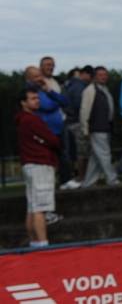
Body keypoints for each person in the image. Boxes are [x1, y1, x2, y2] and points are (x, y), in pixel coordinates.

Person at [16, 88, 61, 247]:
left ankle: (34, 242)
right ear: (24, 102)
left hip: (29, 164)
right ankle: (43, 244)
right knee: (40, 208)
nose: (37, 100)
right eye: (33, 98)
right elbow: (52, 140)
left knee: (32, 206)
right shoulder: (32, 120)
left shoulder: (22, 120)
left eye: (37, 98)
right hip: (40, 164)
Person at [24, 66, 70, 187]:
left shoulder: (45, 89)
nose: (39, 78)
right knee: (49, 158)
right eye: (35, 76)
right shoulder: (30, 93)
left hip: (58, 129)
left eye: (40, 75)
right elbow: (46, 106)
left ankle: (65, 181)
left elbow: (65, 101)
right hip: (45, 131)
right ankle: (52, 183)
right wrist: (56, 102)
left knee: (63, 155)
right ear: (28, 79)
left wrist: (49, 91)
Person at [80, 66, 119, 187]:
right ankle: (112, 179)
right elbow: (84, 110)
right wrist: (85, 129)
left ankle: (88, 182)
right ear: (95, 77)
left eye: (105, 74)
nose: (103, 77)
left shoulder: (105, 89)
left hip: (105, 126)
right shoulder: (90, 90)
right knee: (104, 154)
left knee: (96, 158)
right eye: (100, 75)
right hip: (96, 127)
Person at [61, 65, 94, 190]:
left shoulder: (67, 86)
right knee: (83, 152)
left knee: (75, 152)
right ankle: (81, 177)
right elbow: (80, 106)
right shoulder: (80, 87)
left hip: (69, 122)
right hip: (77, 122)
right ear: (85, 74)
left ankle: (77, 177)